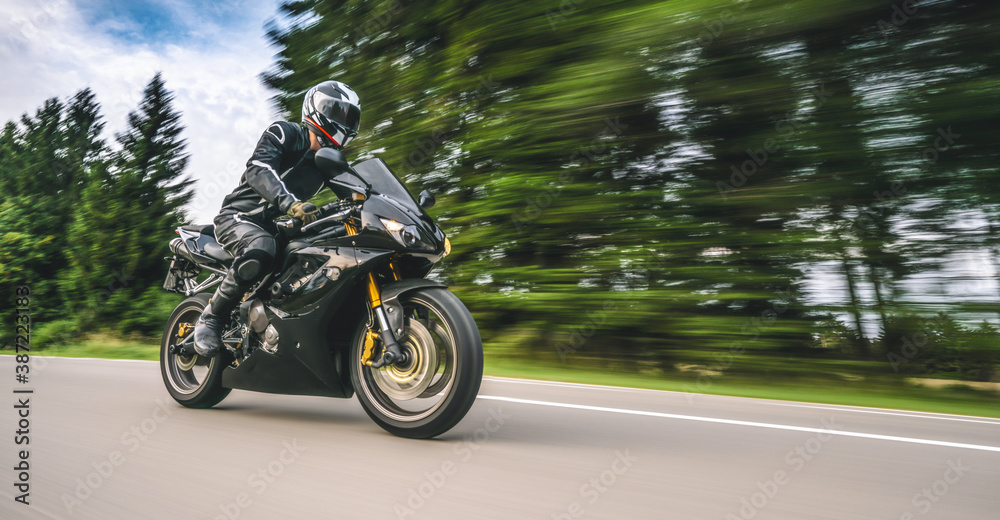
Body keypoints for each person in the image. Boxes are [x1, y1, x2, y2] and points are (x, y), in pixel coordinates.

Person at [192, 80, 362, 357]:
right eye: (338, 112)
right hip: (237, 217)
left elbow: (358, 193)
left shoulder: (330, 161)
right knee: (261, 247)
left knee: (320, 250)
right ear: (318, 109)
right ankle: (212, 317)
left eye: (349, 117)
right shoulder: (284, 133)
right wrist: (292, 204)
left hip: (275, 226)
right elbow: (258, 171)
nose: (344, 122)